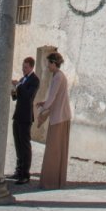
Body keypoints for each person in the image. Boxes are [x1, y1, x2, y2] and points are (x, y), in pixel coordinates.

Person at [36, 51, 71, 189]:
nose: (47, 66)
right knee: (57, 149)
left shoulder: (58, 77)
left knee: (54, 150)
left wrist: (43, 106)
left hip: (59, 117)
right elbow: (54, 97)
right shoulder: (59, 76)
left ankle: (50, 181)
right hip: (61, 116)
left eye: (48, 63)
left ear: (53, 63)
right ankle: (56, 181)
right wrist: (44, 103)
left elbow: (52, 97)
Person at [11, 56, 40, 184]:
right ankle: (18, 170)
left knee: (25, 145)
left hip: (26, 116)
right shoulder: (23, 79)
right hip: (17, 115)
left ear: (32, 67)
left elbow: (29, 96)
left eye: (26, 67)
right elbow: (16, 98)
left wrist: (19, 85)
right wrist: (13, 90)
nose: (23, 69)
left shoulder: (35, 80)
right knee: (18, 144)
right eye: (23, 67)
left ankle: (25, 174)